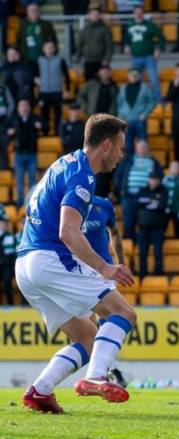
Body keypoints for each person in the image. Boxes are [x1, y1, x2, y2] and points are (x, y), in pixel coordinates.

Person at [17, 114, 136, 414]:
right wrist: (105, 267)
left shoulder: (64, 163)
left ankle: (40, 392)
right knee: (123, 312)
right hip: (49, 258)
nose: (122, 154)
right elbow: (67, 232)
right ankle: (96, 377)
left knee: (87, 337)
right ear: (106, 145)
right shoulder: (83, 175)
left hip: (26, 265)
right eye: (120, 147)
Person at [116, 140, 163, 239]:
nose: (142, 149)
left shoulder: (154, 162)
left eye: (144, 147)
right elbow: (118, 176)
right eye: (140, 147)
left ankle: (141, 247)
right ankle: (129, 247)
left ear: (148, 149)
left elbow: (160, 178)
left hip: (146, 196)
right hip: (129, 196)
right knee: (128, 223)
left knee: (145, 223)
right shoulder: (128, 160)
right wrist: (121, 190)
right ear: (136, 149)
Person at [123, 6, 165, 101]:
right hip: (135, 57)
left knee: (153, 80)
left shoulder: (149, 25)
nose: (138, 14)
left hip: (149, 57)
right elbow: (126, 40)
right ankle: (141, 101)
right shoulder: (129, 26)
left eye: (140, 12)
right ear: (133, 14)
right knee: (137, 81)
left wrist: (158, 49)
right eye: (136, 12)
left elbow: (161, 37)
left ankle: (158, 101)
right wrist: (126, 46)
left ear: (143, 14)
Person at [8, 99, 42, 206]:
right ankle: (20, 203)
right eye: (22, 106)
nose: (24, 108)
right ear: (18, 108)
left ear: (29, 107)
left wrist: (40, 125)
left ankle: (31, 203)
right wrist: (9, 132)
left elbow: (45, 126)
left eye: (26, 105)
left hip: (32, 154)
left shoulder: (34, 118)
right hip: (19, 155)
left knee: (33, 180)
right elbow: (4, 129)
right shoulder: (13, 119)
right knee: (19, 180)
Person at [117, 68, 156, 158]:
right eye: (132, 75)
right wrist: (120, 115)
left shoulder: (145, 87)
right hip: (126, 120)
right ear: (128, 76)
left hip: (140, 120)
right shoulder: (123, 88)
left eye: (136, 75)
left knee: (142, 144)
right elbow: (119, 103)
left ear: (139, 76)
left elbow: (152, 102)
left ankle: (143, 161)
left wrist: (145, 113)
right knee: (128, 145)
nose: (134, 77)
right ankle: (131, 164)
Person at [136, 172, 168, 277]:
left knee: (158, 251)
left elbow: (161, 205)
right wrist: (153, 202)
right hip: (143, 227)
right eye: (152, 179)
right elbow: (139, 203)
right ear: (149, 180)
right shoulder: (142, 190)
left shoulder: (163, 190)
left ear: (159, 181)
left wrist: (148, 203)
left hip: (158, 227)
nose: (153, 182)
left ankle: (158, 274)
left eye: (156, 180)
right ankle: (142, 274)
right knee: (143, 252)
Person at [35, 41, 70, 136]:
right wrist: (36, 79)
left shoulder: (60, 60)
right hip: (43, 92)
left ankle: (58, 133)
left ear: (54, 49)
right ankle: (45, 133)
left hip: (56, 91)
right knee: (44, 114)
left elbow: (66, 76)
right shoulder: (39, 60)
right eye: (47, 47)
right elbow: (35, 74)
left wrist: (67, 89)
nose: (49, 49)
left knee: (58, 114)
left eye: (51, 47)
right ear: (43, 49)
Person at [76, 6, 113, 81]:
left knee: (102, 82)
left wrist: (107, 59)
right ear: (89, 15)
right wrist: (78, 59)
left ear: (99, 16)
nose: (95, 16)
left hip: (101, 61)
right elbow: (79, 45)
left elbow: (109, 45)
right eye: (93, 14)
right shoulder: (84, 29)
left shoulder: (105, 29)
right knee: (89, 83)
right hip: (88, 61)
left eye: (97, 14)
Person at [0, 218, 18, 304]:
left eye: (6, 224)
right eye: (2, 224)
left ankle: (11, 304)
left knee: (7, 282)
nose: (4, 226)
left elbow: (13, 251)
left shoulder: (11, 236)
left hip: (6, 264)